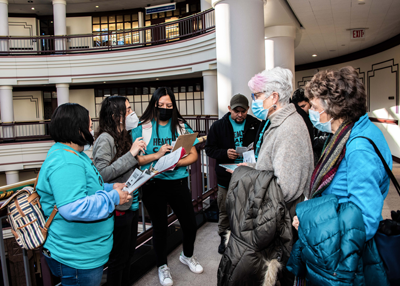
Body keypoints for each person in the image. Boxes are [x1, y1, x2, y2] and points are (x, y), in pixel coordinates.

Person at [287, 67, 391, 285]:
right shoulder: (351, 132)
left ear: (332, 108)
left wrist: (310, 222)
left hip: (345, 263)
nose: (311, 112)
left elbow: (365, 222)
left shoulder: (358, 147)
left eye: (315, 107)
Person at [226, 67, 314, 285]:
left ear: (274, 97)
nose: (254, 101)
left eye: (257, 96)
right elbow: (275, 164)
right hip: (275, 212)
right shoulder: (278, 121)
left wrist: (247, 175)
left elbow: (285, 187)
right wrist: (254, 167)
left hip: (279, 217)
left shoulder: (288, 128)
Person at [36, 103, 131, 286]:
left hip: (84, 253)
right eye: (88, 125)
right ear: (77, 129)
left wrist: (110, 188)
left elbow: (88, 188)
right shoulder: (66, 162)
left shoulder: (75, 155)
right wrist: (113, 198)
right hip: (76, 258)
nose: (91, 129)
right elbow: (73, 207)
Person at [131, 87, 203, 286]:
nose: (164, 109)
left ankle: (187, 255)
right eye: (160, 105)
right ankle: (162, 265)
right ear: (154, 105)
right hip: (153, 184)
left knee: (189, 223)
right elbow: (135, 159)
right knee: (160, 227)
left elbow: (194, 155)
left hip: (177, 181)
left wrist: (175, 163)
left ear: (173, 106)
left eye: (169, 106)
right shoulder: (142, 127)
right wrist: (158, 158)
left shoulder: (180, 125)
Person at [92, 96, 146, 286]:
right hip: (116, 208)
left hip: (128, 203)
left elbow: (124, 167)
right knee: (118, 260)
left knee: (128, 254)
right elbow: (102, 175)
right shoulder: (105, 139)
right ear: (116, 115)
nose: (132, 113)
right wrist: (131, 154)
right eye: (128, 110)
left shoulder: (125, 134)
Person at [205, 93, 260, 254]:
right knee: (225, 209)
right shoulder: (218, 126)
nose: (240, 114)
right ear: (229, 109)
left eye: (243, 111)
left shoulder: (255, 124)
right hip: (225, 177)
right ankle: (224, 238)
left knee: (247, 207)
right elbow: (209, 149)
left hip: (248, 174)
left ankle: (243, 239)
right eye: (236, 111)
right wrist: (224, 153)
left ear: (248, 110)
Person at [291, 88, 329, 165]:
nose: (301, 110)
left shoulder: (320, 117)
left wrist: (311, 141)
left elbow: (328, 139)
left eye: (303, 106)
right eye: (299, 108)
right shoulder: (297, 120)